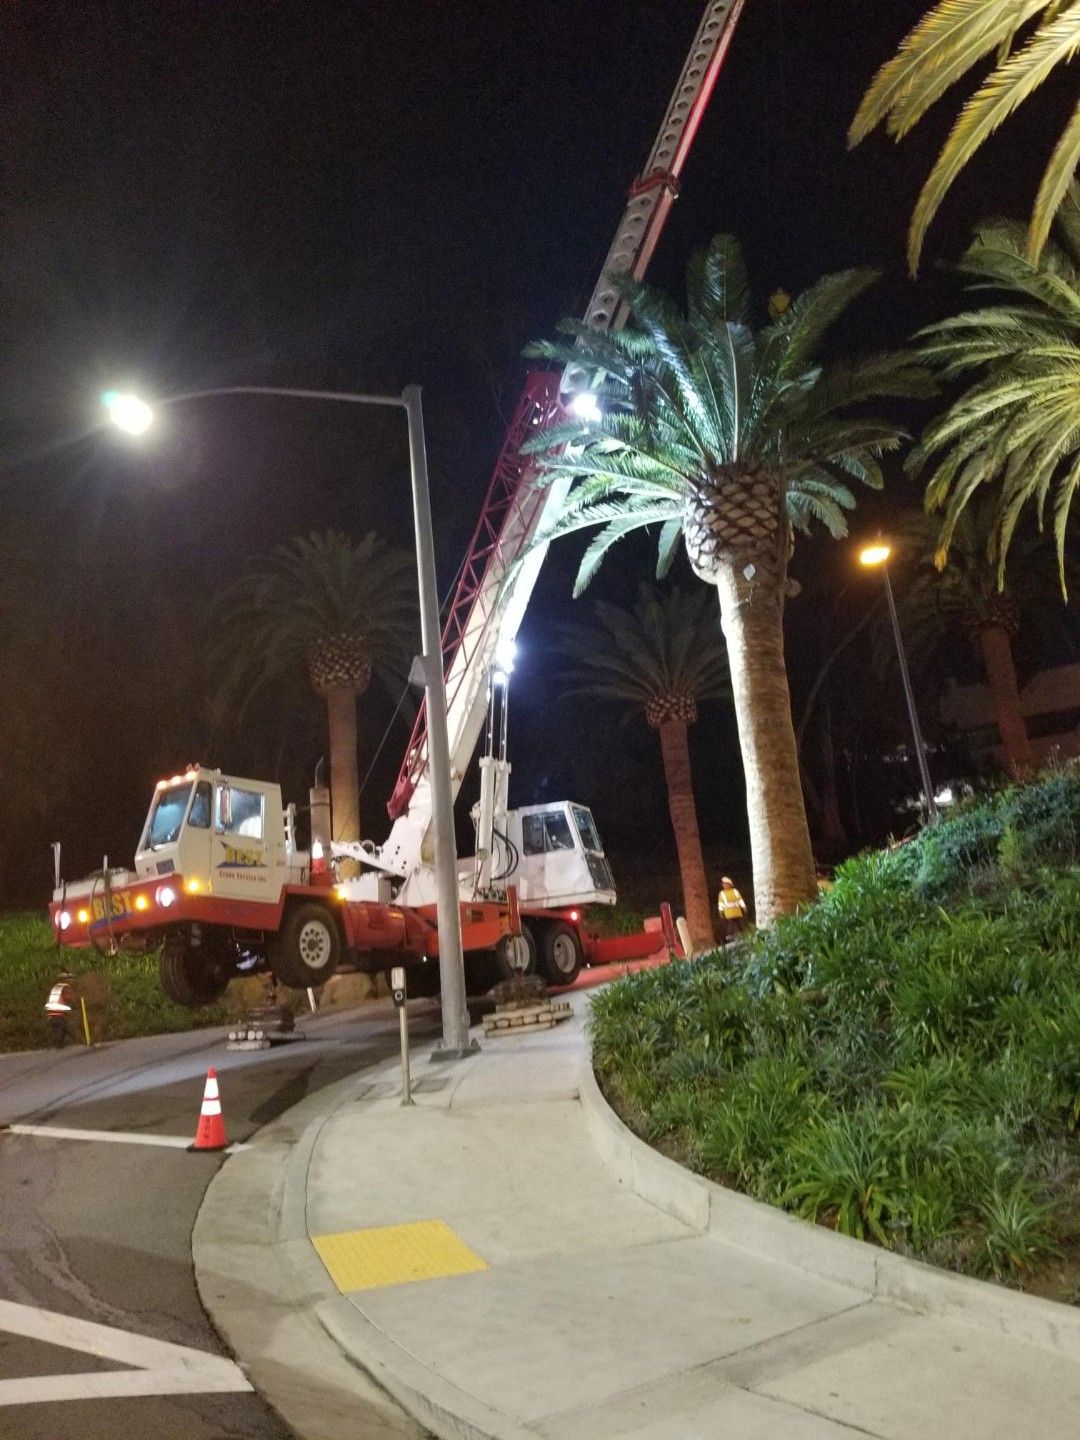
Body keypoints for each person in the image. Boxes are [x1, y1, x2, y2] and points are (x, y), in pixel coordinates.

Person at [44, 971, 77, 1047]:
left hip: (51, 1012)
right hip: (59, 1011)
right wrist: (74, 1006)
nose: (72, 980)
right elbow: (69, 998)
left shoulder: (56, 987)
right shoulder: (65, 987)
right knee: (63, 1026)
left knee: (56, 1028)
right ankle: (60, 1043)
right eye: (70, 979)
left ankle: (57, 1043)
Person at [717, 876, 748, 942]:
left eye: (725, 884)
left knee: (740, 924)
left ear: (730, 885)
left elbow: (740, 900)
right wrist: (720, 911)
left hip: (737, 912)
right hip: (728, 913)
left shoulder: (735, 891)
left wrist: (743, 906)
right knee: (730, 926)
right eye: (723, 884)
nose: (724, 885)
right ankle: (730, 937)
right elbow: (721, 903)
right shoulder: (722, 893)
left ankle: (744, 936)